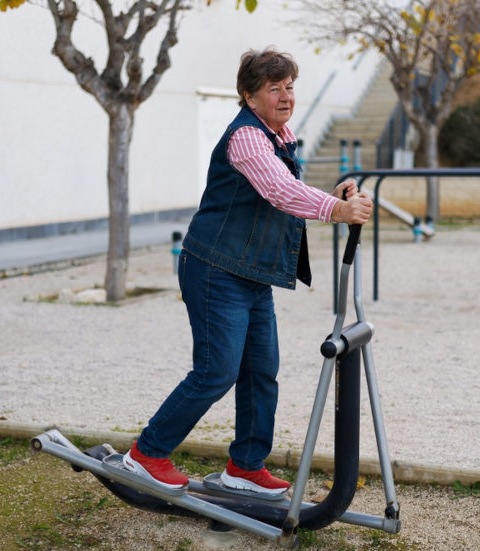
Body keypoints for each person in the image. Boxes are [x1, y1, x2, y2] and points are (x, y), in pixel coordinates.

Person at [123, 48, 373, 494]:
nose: (285, 96)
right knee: (216, 370)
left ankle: (245, 467)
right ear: (249, 96)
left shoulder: (279, 136)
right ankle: (147, 453)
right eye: (273, 88)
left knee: (261, 370)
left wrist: (332, 194)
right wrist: (336, 209)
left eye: (290, 86)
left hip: (251, 273)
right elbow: (277, 191)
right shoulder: (247, 138)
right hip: (215, 269)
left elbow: (288, 188)